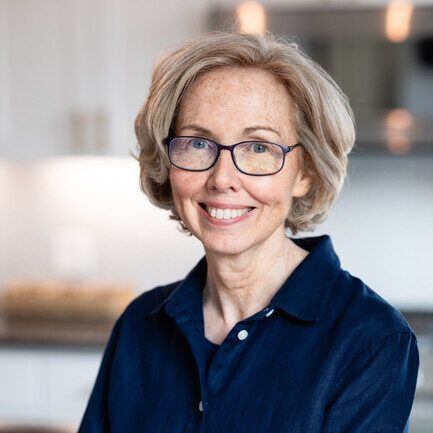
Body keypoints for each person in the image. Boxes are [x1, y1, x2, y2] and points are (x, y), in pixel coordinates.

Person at [78, 31, 419, 433]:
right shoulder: (140, 327)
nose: (222, 179)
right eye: (198, 143)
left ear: (305, 173)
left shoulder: (369, 340)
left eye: (259, 147)